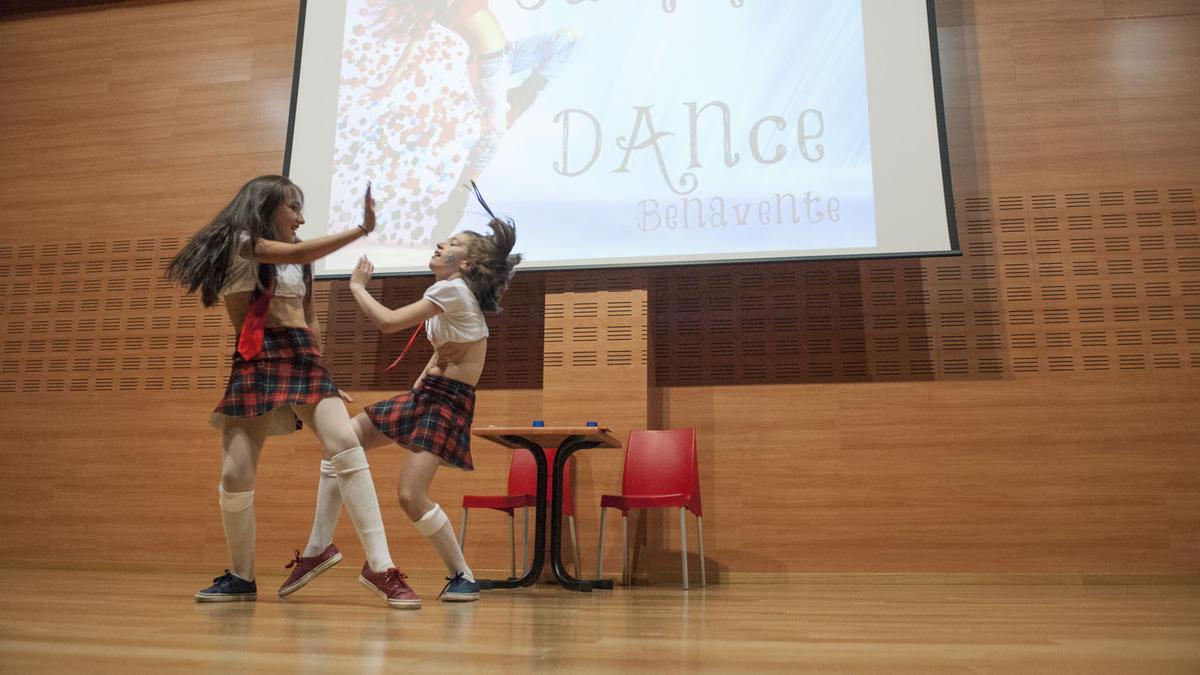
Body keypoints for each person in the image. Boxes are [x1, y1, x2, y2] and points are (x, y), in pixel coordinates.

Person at [166, 175, 420, 608]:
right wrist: (362, 229)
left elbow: (310, 316)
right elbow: (299, 250)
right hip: (256, 357)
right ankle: (242, 577)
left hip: (302, 355)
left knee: (344, 442)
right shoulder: (241, 241)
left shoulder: (300, 261)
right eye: (293, 207)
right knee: (234, 475)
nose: (300, 218)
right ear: (266, 208)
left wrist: (325, 373)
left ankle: (381, 568)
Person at [279, 182, 522, 604]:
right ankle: (318, 548)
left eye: (453, 244)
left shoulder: (451, 290)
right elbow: (450, 349)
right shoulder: (454, 295)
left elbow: (389, 323)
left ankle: (462, 574)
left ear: (465, 266)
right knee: (340, 443)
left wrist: (356, 287)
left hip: (448, 404)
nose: (441, 243)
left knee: (410, 495)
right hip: (429, 394)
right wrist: (421, 380)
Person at [385, 0, 580, 240]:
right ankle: (460, 195)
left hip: (510, 53)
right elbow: (412, 48)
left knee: (567, 39)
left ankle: (525, 93)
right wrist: (387, 84)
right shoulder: (436, 7)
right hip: (489, 67)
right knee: (494, 133)